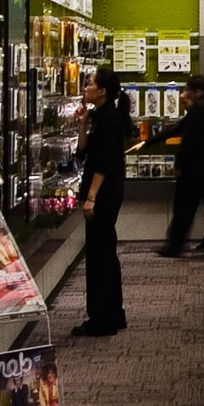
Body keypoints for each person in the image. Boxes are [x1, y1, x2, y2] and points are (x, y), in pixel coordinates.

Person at [72, 66, 134, 336]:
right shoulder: (100, 116)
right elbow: (85, 151)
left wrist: (91, 198)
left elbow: (103, 164)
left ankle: (101, 318)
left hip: (103, 195)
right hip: (103, 193)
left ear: (103, 91)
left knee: (100, 256)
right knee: (103, 252)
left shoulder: (110, 120)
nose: (86, 86)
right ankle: (112, 313)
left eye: (90, 83)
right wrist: (83, 123)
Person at [155, 73, 204, 257]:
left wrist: (179, 164)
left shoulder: (198, 109)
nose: (185, 94)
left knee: (184, 210)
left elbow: (187, 138)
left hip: (194, 170)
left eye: (188, 90)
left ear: (198, 92)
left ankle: (174, 247)